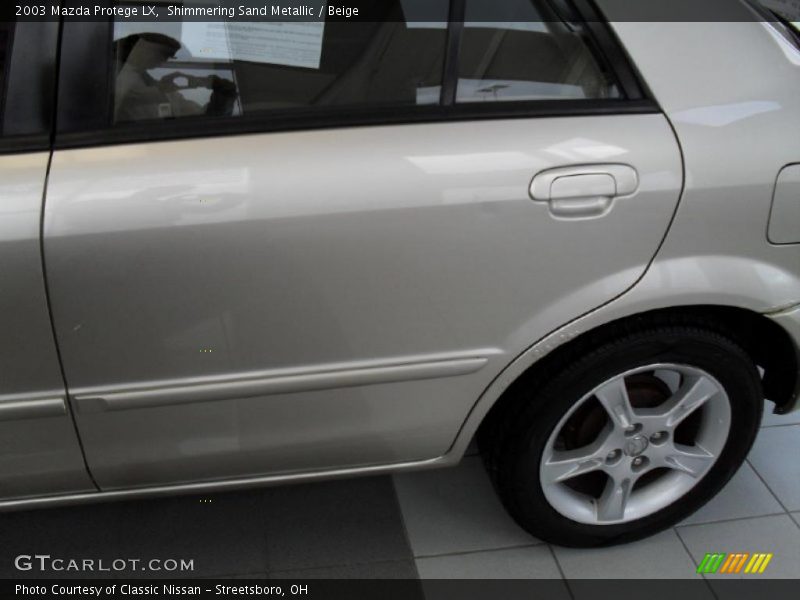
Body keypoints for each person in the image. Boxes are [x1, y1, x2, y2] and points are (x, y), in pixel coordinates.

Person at [113, 33, 237, 122]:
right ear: (143, 50)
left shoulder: (163, 90)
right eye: (164, 54)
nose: (164, 61)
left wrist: (216, 88)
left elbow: (205, 118)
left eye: (169, 56)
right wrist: (160, 90)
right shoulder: (121, 77)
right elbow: (126, 96)